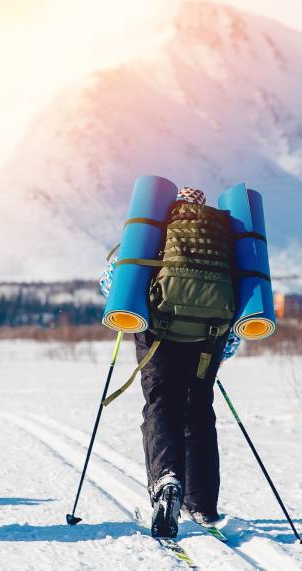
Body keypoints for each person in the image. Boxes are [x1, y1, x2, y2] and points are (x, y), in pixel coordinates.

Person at [100, 186, 241, 537]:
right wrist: (222, 350)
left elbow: (114, 285)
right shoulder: (222, 241)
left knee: (161, 404)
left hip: (157, 337)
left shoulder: (151, 233)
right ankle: (203, 504)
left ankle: (167, 482)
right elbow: (240, 299)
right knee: (199, 411)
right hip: (208, 338)